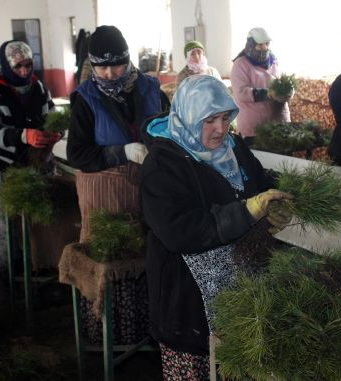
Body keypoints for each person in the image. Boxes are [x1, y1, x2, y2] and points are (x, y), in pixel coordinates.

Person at [140, 75, 293, 378]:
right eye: (209, 120)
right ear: (189, 116)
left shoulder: (234, 148)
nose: (220, 129)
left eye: (225, 117)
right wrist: (246, 212)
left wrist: (276, 202)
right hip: (188, 303)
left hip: (241, 289)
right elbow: (179, 231)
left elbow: (260, 182)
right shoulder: (163, 164)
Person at [66, 24, 170, 242]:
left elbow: (172, 134)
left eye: (117, 66)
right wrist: (123, 152)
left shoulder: (152, 91)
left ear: (127, 59)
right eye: (101, 67)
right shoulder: (85, 100)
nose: (109, 74)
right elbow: (77, 153)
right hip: (107, 204)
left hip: (154, 194)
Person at [0, 40, 58, 271]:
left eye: (28, 65)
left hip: (34, 163)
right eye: (18, 66)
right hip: (1, 168)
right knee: (5, 223)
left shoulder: (38, 87)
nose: (24, 71)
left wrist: (54, 131)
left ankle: (37, 266)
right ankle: (7, 270)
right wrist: (22, 136)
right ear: (5, 65)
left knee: (36, 222)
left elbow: (50, 113)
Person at [230, 27, 292, 145]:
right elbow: (241, 93)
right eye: (260, 45)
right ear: (251, 45)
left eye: (267, 44)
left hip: (279, 122)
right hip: (255, 128)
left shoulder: (273, 60)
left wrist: (288, 91)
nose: (265, 48)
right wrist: (268, 94)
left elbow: (284, 81)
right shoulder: (240, 64)